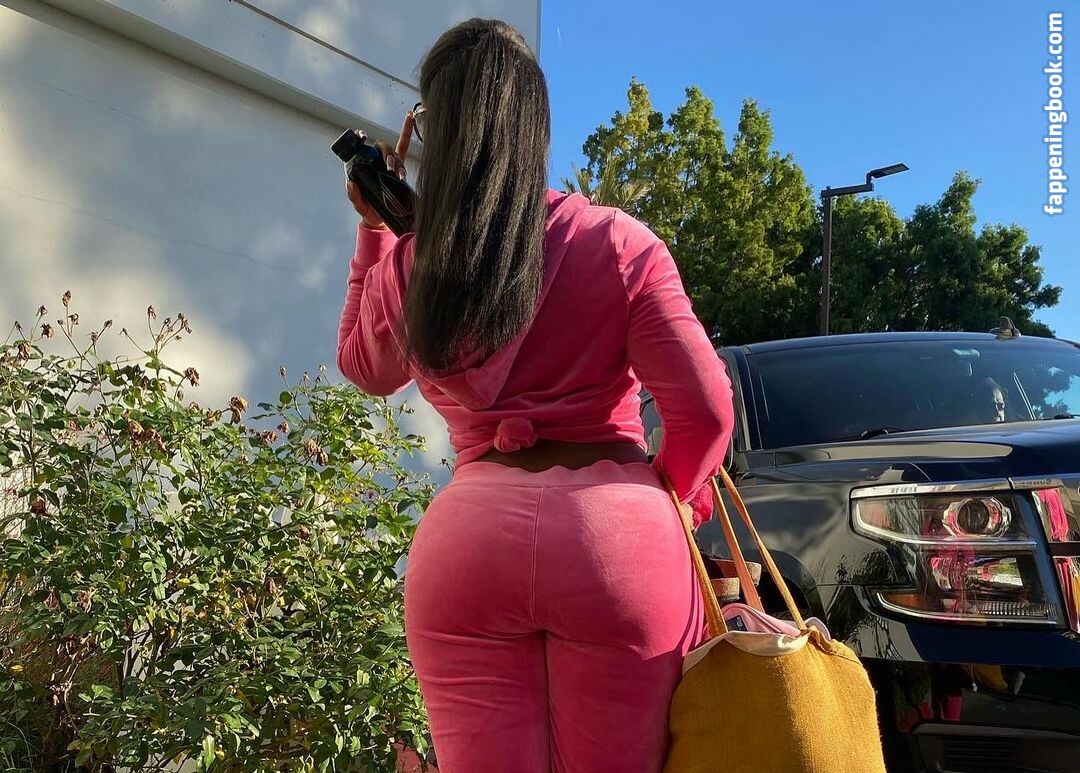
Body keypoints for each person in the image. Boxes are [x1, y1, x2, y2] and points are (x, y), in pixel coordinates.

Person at [336, 19, 733, 773]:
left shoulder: (413, 268)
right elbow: (708, 411)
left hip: (468, 547)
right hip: (616, 543)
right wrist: (676, 497)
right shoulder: (618, 242)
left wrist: (378, 234)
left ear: (432, 133)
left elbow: (364, 366)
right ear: (534, 127)